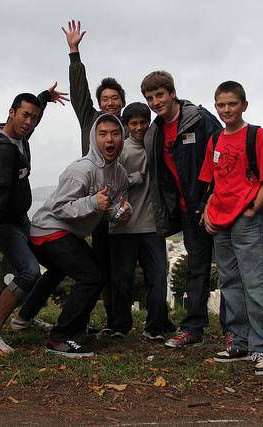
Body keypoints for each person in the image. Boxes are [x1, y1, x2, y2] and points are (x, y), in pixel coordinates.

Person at [10, 19, 124, 333]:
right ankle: (45, 321)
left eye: (115, 99)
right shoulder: (91, 119)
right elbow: (79, 93)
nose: (110, 103)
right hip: (80, 206)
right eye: (106, 99)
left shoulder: (125, 129)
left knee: (88, 268)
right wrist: (74, 54)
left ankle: (109, 321)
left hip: (105, 212)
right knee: (84, 270)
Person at [19, 114, 131, 358]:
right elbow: (59, 207)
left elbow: (104, 212)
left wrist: (119, 215)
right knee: (91, 275)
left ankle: (75, 326)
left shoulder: (120, 175)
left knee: (97, 274)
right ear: (94, 138)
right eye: (103, 134)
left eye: (115, 133)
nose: (109, 139)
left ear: (122, 137)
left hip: (68, 233)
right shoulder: (82, 169)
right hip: (47, 230)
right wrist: (92, 201)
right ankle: (60, 337)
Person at [0, 86, 68, 354]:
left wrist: (45, 98)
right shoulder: (3, 150)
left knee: (54, 262)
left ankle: (23, 318)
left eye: (33, 118)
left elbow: (33, 118)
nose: (29, 122)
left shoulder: (20, 135)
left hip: (17, 216)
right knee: (29, 271)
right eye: (24, 116)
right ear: (11, 113)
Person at [199, 81, 263, 375]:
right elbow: (212, 182)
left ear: (244, 105)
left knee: (255, 284)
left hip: (247, 221)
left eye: (232, 104)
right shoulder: (215, 140)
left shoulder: (256, 135)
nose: (226, 110)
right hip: (221, 221)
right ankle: (240, 342)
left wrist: (252, 209)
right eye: (221, 105)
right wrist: (208, 210)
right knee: (230, 283)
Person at [141, 70, 222, 348]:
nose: (155, 102)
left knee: (230, 269)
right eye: (150, 98)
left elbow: (222, 158)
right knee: (196, 269)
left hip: (219, 206)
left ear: (172, 93)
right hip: (190, 212)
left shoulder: (200, 120)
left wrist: (212, 199)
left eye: (159, 95)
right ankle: (194, 329)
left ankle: (237, 330)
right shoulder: (155, 132)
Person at [109, 102, 175, 340]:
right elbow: (110, 183)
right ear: (126, 125)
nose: (139, 127)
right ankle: (120, 325)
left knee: (157, 276)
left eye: (143, 122)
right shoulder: (121, 150)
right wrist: (134, 179)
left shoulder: (155, 146)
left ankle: (155, 326)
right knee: (122, 278)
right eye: (133, 123)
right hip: (122, 226)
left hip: (152, 224)